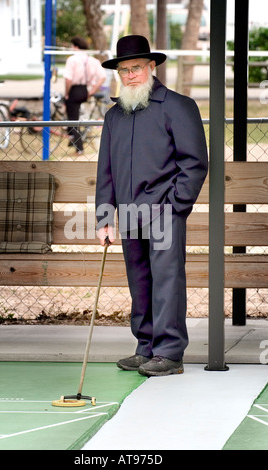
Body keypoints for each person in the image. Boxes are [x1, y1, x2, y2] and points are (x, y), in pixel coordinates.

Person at [95, 35, 208, 377]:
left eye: (136, 69)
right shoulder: (115, 116)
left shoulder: (178, 106)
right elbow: (106, 171)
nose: (129, 75)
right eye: (124, 70)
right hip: (129, 214)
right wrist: (104, 216)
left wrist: (175, 206)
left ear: (151, 67)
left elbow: (195, 163)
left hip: (164, 211)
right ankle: (146, 347)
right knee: (140, 281)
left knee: (166, 280)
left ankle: (170, 352)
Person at [64, 36, 106, 154]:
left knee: (72, 119)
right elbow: (102, 77)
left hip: (74, 90)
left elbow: (68, 79)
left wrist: (66, 93)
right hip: (85, 90)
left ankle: (79, 147)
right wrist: (92, 91)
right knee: (74, 115)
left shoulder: (72, 59)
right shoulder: (93, 60)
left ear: (75, 47)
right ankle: (72, 137)